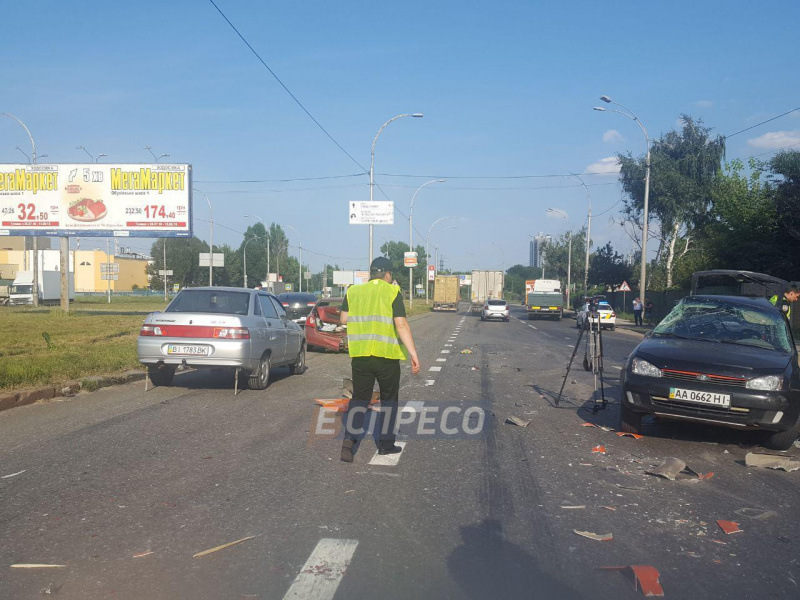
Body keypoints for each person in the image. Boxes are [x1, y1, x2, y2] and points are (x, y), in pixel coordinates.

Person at [339, 257, 421, 462]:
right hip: (386, 357)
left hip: (360, 356)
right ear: (387, 275)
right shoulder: (392, 292)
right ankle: (385, 445)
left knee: (359, 399)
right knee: (389, 401)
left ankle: (349, 441)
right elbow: (401, 325)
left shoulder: (353, 291)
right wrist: (413, 353)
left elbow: (343, 319)